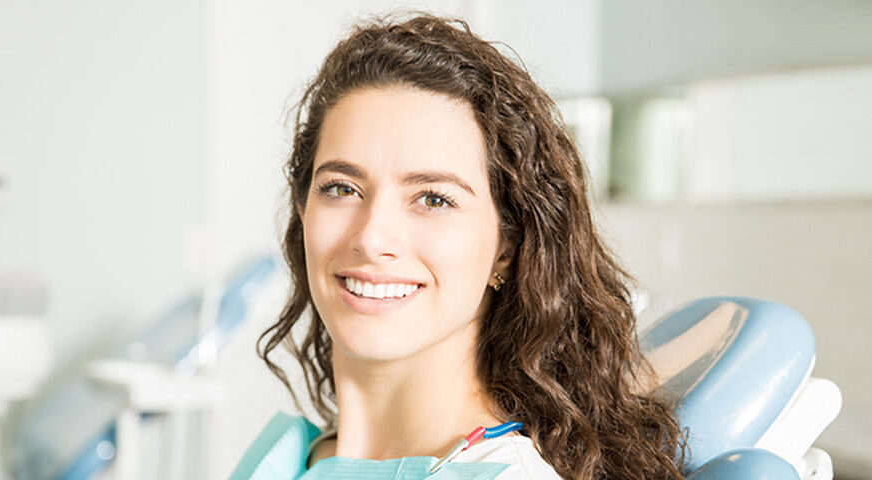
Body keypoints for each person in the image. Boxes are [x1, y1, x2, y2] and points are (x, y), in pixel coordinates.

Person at [235, 13, 686, 480]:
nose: (371, 238)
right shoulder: (292, 457)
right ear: (303, 210)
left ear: (507, 247)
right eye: (342, 188)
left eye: (433, 199)